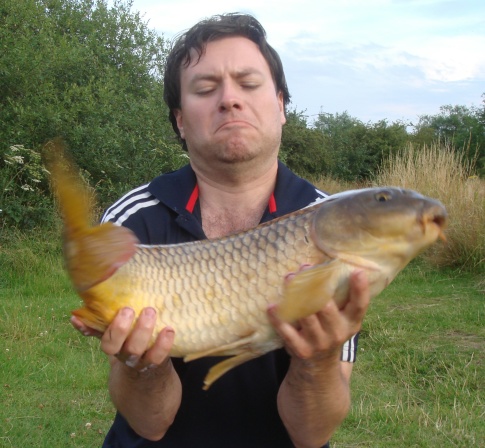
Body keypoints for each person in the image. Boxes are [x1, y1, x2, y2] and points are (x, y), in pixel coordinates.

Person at [72, 13, 370, 448]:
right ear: (179, 120)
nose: (230, 100)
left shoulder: (334, 224)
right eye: (206, 88)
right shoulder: (132, 221)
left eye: (248, 84)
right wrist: (144, 364)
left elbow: (311, 433)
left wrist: (319, 361)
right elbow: (150, 423)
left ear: (282, 105)